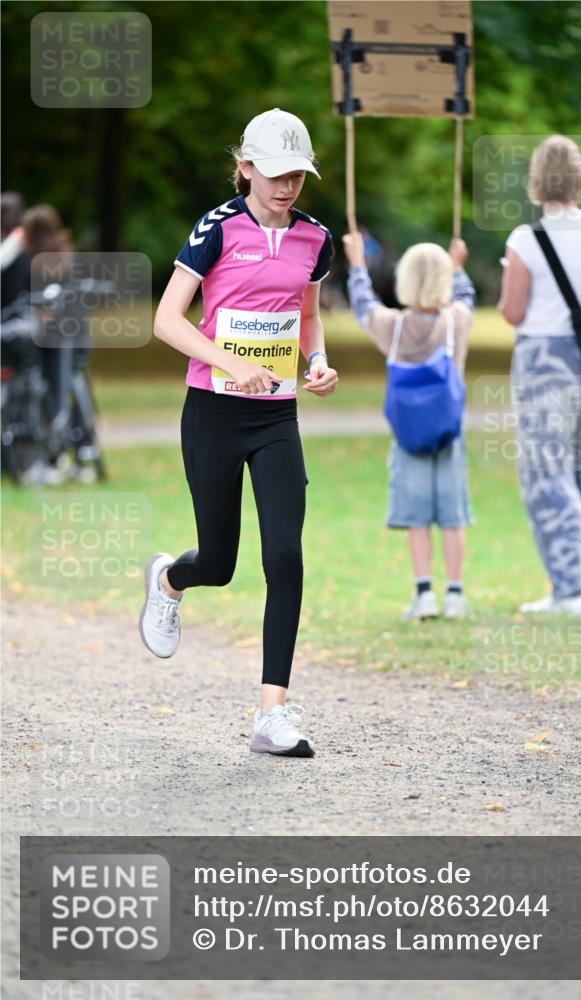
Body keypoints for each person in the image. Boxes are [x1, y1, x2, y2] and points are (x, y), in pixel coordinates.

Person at [139, 108, 338, 757]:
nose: (285, 187)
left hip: (277, 415)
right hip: (212, 412)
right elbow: (167, 320)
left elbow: (307, 315)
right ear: (246, 168)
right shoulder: (216, 229)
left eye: (296, 176)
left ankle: (271, 714)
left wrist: (315, 362)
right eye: (274, 174)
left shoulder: (315, 238)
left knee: (284, 556)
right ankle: (170, 580)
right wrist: (231, 364)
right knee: (218, 563)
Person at [498, 134, 581, 616]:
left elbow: (512, 312)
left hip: (543, 363)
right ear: (579, 178)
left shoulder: (526, 240)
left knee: (548, 472)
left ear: (537, 179)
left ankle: (570, 589)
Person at [342, 230, 476, 620]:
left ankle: (423, 593)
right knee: (452, 516)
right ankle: (454, 594)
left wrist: (356, 266)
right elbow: (466, 296)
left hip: (407, 435)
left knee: (417, 518)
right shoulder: (456, 322)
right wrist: (457, 267)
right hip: (449, 432)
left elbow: (364, 305)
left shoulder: (393, 327)